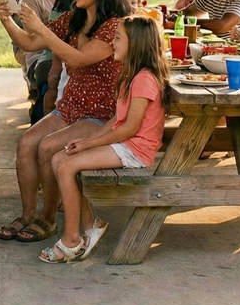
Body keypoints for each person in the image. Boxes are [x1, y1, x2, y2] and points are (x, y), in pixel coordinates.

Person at [0, 0, 129, 243]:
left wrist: (41, 27)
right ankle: (28, 214)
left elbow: (78, 59)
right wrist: (7, 20)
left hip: (101, 115)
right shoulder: (74, 18)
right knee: (26, 142)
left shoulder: (116, 26)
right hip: (70, 107)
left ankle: (47, 219)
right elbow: (30, 43)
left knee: (47, 148)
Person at [41, 16, 169, 262]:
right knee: (60, 158)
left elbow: (129, 129)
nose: (113, 41)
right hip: (123, 144)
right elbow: (117, 120)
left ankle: (71, 240)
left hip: (135, 150)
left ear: (137, 45)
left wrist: (90, 143)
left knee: (67, 165)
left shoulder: (143, 80)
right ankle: (91, 223)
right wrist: (91, 139)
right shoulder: (131, 75)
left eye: (119, 38)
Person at [7, 0, 66, 122]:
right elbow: (35, 39)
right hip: (41, 57)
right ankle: (40, 121)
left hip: (69, 54)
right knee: (51, 80)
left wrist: (48, 26)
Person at [42, 0, 97, 114]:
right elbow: (35, 41)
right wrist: (7, 19)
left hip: (79, 70)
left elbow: (80, 59)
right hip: (58, 56)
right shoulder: (67, 7)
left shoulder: (109, 21)